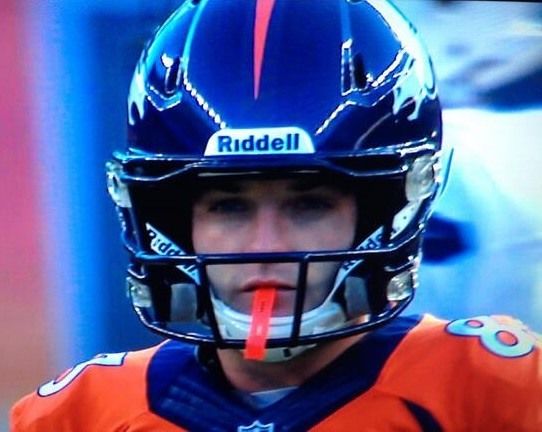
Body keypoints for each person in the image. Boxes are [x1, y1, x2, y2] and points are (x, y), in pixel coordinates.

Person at [11, 0, 541, 431]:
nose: (266, 244)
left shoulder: (490, 394)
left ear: (385, 210)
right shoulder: (82, 414)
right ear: (173, 220)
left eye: (309, 204)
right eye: (229, 206)